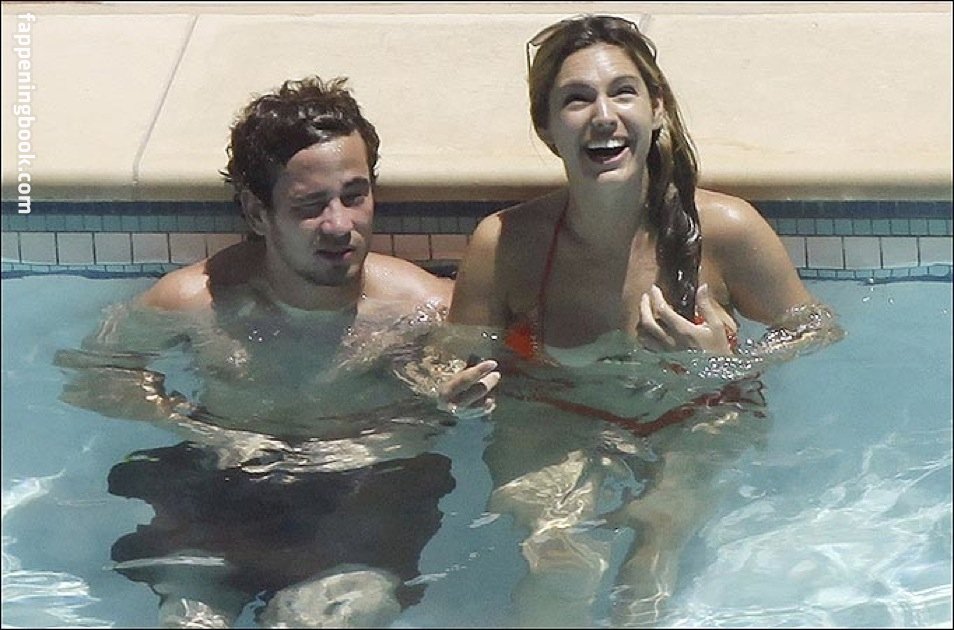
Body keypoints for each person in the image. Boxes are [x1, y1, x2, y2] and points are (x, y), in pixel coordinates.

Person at [55, 75, 496, 628]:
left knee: (318, 620)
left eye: (355, 196)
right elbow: (91, 375)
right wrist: (198, 427)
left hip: (366, 500)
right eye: (310, 205)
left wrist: (449, 401)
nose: (340, 225)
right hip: (224, 494)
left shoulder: (424, 307)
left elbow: (498, 373)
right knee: (190, 620)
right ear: (257, 212)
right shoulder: (193, 303)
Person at [446, 14, 843, 626]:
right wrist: (451, 390)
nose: (603, 115)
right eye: (576, 99)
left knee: (655, 542)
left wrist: (725, 363)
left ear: (656, 109)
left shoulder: (726, 231)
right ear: (547, 128)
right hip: (556, 420)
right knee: (558, 563)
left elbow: (818, 328)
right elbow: (451, 359)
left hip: (697, 418)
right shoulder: (505, 245)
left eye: (622, 92)